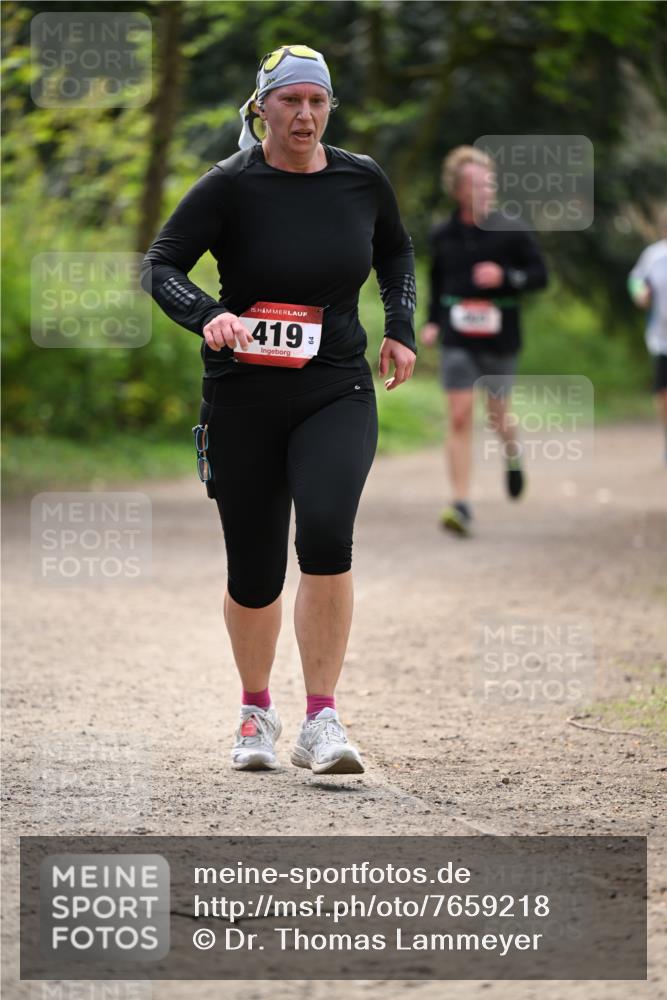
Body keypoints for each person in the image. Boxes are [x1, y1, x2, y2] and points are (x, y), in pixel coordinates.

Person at [141, 45, 417, 774]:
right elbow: (160, 264)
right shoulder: (229, 185)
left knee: (326, 534)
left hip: (336, 388)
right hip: (243, 397)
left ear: (329, 108)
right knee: (255, 568)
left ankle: (322, 719)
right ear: (261, 108)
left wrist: (400, 327)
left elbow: (395, 253)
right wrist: (208, 314)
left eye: (317, 101)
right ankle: (255, 711)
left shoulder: (361, 179)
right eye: (290, 100)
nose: (304, 114)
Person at [420, 146, 548, 536]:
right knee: (459, 415)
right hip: (457, 335)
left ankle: (512, 453)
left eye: (488, 184)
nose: (485, 191)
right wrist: (431, 322)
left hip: (500, 337)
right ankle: (460, 503)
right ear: (458, 190)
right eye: (476, 185)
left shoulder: (512, 230)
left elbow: (540, 276)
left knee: (496, 415)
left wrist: (506, 277)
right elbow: (437, 283)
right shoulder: (443, 234)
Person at [628, 207, 667, 463]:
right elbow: (636, 279)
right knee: (663, 395)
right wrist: (640, 293)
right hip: (662, 338)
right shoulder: (654, 255)